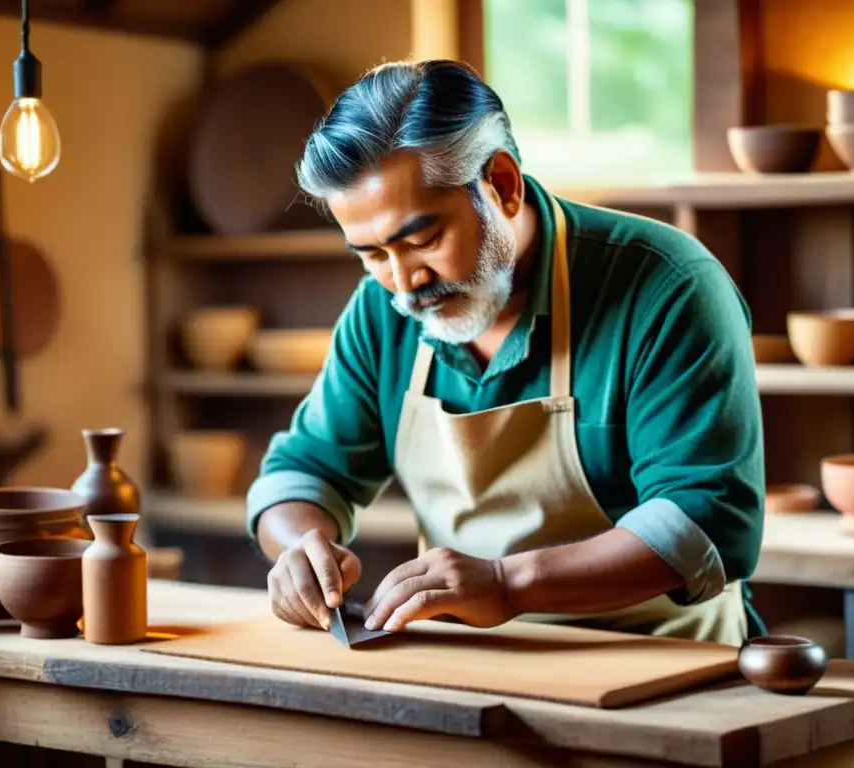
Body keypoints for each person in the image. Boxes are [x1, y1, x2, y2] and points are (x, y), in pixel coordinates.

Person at [247, 58, 765, 646]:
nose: (403, 281)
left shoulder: (667, 286)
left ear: (503, 184)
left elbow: (707, 521)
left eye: (422, 240)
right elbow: (302, 471)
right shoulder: (380, 310)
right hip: (468, 665)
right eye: (370, 253)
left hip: (665, 664)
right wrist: (298, 550)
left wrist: (509, 582)